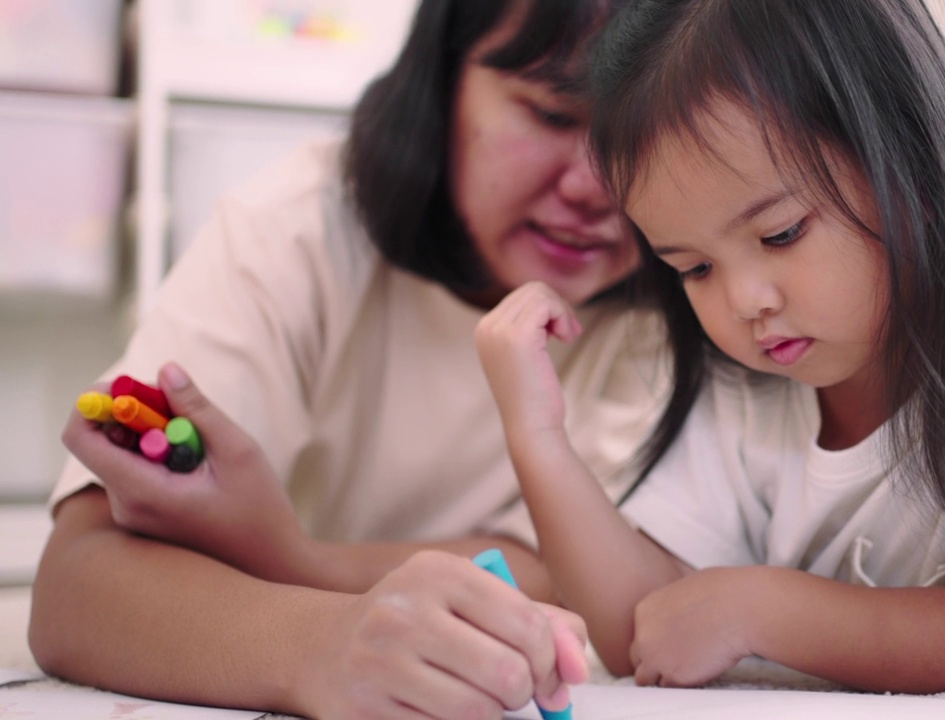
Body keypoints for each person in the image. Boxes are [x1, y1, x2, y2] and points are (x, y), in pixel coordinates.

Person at [475, 0, 945, 695]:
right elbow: (644, 628)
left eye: (781, 234)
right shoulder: (743, 378)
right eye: (694, 268)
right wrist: (536, 436)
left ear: (907, 155)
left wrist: (764, 610)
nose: (743, 301)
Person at [31, 1, 665, 718]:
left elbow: (575, 580)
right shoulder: (297, 229)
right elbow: (76, 585)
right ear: (440, 83)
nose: (592, 187)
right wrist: (320, 645)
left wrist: (286, 558)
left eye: (639, 135)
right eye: (552, 114)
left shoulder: (688, 301)